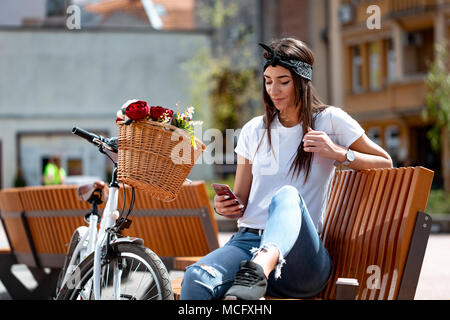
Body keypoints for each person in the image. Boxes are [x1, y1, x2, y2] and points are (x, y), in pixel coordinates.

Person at [180, 38, 393, 300]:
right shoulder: (253, 130)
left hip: (301, 258)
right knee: (196, 277)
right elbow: (242, 198)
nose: (274, 89)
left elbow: (385, 162)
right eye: (268, 81)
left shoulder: (329, 120)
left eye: (283, 81)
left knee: (287, 195)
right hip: (247, 242)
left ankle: (260, 267)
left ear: (301, 81)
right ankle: (256, 270)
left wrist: (336, 152)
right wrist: (226, 206)